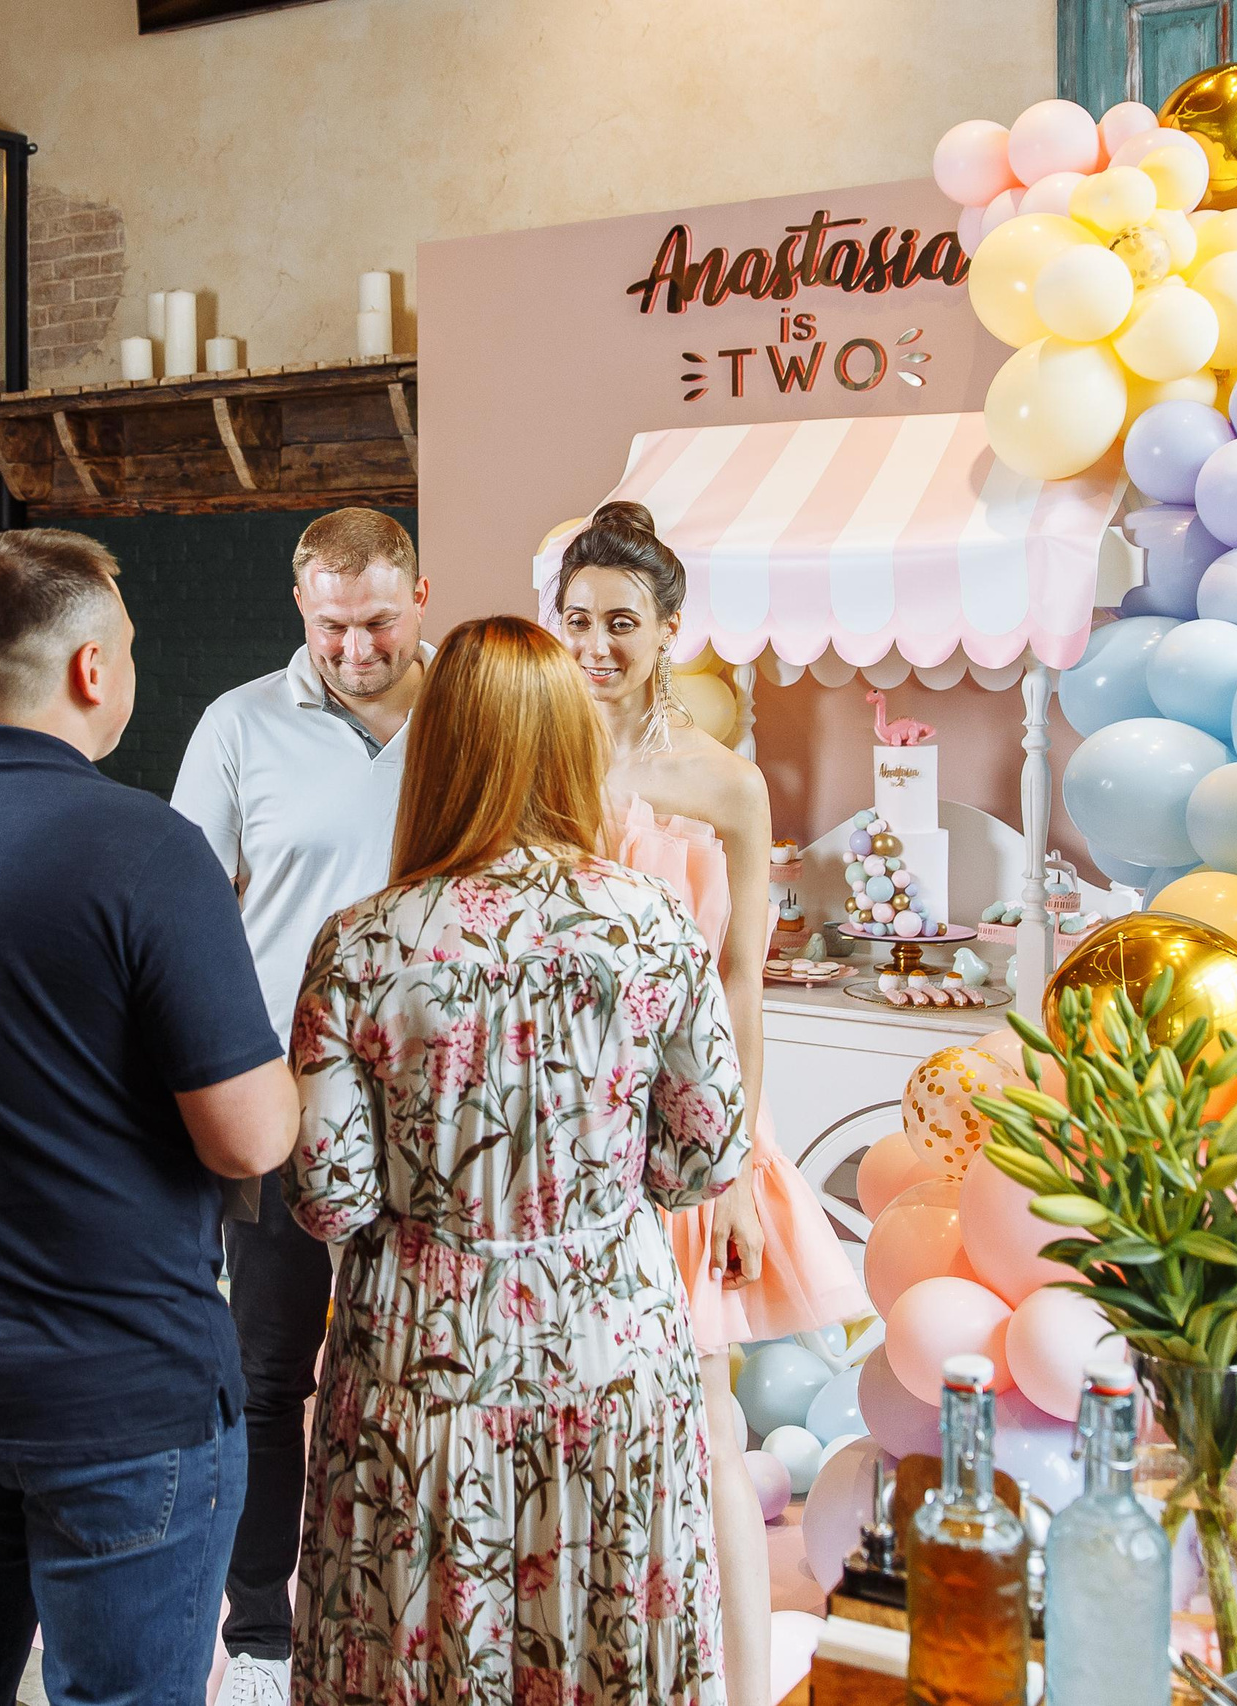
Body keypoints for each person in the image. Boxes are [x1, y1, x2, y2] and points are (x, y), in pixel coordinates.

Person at [0, 529, 298, 1704]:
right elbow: (247, 1137)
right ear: (93, 668)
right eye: (127, 649)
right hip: (116, 1399)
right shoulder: (146, 850)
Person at [285, 616, 749, 1706]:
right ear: (569, 745)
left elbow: (329, 1192)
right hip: (612, 1352)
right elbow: (702, 1156)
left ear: (435, 750)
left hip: (421, 1362)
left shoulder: (362, 941)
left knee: (422, 1636)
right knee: (601, 1634)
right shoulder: (651, 926)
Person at [555, 500, 870, 1706]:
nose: (595, 644)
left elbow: (738, 980)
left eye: (621, 622)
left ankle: (738, 1685)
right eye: (577, 619)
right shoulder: (533, 759)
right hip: (559, 1129)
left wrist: (734, 1159)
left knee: (704, 1427)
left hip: (681, 1131)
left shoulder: (725, 783)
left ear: (670, 629)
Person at [170, 507, 429, 1706]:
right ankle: (262, 1636)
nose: (356, 646)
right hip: (282, 1099)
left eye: (376, 620)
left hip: (436, 1106)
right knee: (268, 1370)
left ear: (418, 596)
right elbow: (187, 911)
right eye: (332, 624)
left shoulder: (466, 717)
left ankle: (410, 1608)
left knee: (423, 1371)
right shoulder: (237, 724)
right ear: (300, 608)